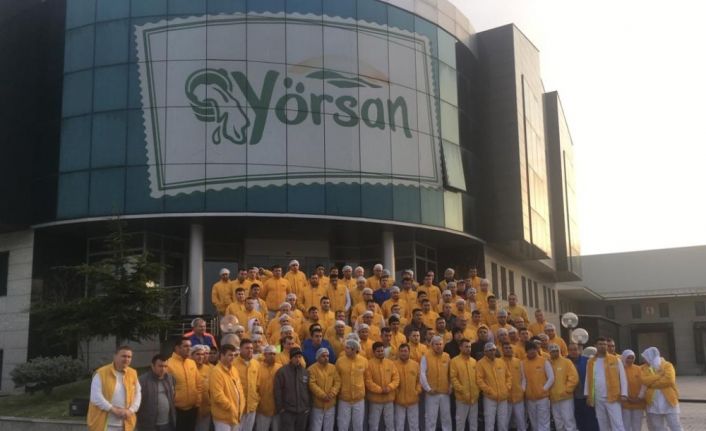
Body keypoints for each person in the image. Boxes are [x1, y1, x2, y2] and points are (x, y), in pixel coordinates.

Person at [88, 345, 141, 431]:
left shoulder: (133, 373)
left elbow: (138, 394)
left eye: (129, 357)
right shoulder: (101, 373)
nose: (126, 359)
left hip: (126, 424)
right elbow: (95, 397)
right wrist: (114, 410)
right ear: (115, 356)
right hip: (104, 425)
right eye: (123, 356)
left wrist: (131, 410)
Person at [584, 336, 628, 431]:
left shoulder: (615, 360)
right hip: (598, 397)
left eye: (604, 344)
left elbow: (622, 377)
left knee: (617, 423)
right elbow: (588, 378)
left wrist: (624, 393)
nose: (602, 346)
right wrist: (587, 395)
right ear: (595, 346)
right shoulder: (590, 362)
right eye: (600, 344)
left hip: (613, 396)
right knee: (602, 422)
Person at [640, 347, 684, 431]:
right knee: (658, 427)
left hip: (669, 401)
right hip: (653, 403)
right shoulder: (644, 368)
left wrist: (652, 385)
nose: (644, 360)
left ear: (650, 356)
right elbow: (644, 380)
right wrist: (659, 376)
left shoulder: (667, 365)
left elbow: (669, 380)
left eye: (645, 358)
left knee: (675, 425)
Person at [167, 337, 202, 431]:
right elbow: (167, 389)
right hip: (177, 411)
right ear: (177, 348)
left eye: (190, 346)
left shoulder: (192, 363)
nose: (189, 348)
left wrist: (197, 402)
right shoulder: (168, 365)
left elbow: (198, 384)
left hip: (193, 409)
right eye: (186, 346)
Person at [365, 341, 400, 431]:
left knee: (390, 424)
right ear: (374, 352)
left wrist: (389, 387)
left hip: (389, 399)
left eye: (382, 351)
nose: (380, 353)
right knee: (373, 424)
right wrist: (380, 390)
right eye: (378, 351)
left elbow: (396, 378)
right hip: (375, 400)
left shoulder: (390, 363)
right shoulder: (369, 364)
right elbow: (368, 381)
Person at [210, 343, 246, 431]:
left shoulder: (234, 370)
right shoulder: (216, 372)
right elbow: (218, 395)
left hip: (236, 415)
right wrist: (231, 407)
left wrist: (242, 404)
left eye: (234, 355)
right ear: (222, 355)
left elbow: (240, 389)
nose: (233, 357)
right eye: (230, 355)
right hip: (223, 417)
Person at [420, 335, 452, 431]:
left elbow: (451, 373)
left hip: (445, 392)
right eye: (436, 344)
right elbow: (422, 374)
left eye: (440, 344)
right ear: (432, 345)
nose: (439, 346)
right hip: (432, 393)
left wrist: (451, 386)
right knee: (431, 418)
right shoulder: (426, 357)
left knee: (446, 418)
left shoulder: (447, 356)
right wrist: (428, 389)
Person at [477, 342, 511, 431]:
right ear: (485, 352)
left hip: (503, 397)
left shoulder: (501, 361)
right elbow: (479, 380)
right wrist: (488, 390)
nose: (492, 352)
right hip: (489, 398)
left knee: (503, 422)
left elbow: (508, 376)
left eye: (494, 350)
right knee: (489, 422)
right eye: (490, 350)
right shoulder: (480, 363)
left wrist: (507, 387)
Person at [274, 348, 310, 431]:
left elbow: (308, 390)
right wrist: (280, 408)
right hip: (288, 411)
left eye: (299, 357)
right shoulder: (282, 372)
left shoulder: (305, 372)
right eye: (295, 357)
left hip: (302, 411)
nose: (298, 359)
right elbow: (277, 391)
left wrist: (307, 407)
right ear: (291, 358)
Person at [137, 353, 175, 431]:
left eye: (165, 366)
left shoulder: (169, 378)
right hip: (149, 425)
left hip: (167, 423)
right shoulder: (142, 380)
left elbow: (172, 397)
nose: (163, 369)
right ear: (152, 366)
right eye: (160, 366)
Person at [336, 339, 368, 431]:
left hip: (359, 399)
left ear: (354, 349)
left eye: (347, 348)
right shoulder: (340, 361)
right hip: (344, 399)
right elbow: (336, 379)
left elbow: (366, 378)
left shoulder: (364, 361)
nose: (345, 349)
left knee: (358, 425)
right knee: (343, 425)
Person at [522, 341, 554, 431]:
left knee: (544, 421)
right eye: (530, 350)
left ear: (537, 350)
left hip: (543, 397)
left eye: (534, 349)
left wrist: (543, 389)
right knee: (533, 421)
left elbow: (551, 378)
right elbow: (523, 379)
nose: (532, 351)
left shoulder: (544, 361)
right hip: (530, 398)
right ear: (526, 351)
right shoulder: (523, 363)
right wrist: (524, 391)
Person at [450, 339, 480, 431]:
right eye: (466, 346)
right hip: (462, 398)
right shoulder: (454, 361)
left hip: (474, 398)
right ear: (460, 347)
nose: (468, 348)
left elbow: (478, 378)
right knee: (460, 423)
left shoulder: (474, 361)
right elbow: (453, 378)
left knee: (474, 423)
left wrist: (477, 391)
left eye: (470, 347)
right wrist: (462, 390)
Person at [308, 348, 341, 431]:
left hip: (330, 403)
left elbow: (337, 382)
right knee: (316, 427)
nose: (326, 358)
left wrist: (332, 393)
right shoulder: (311, 369)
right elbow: (312, 384)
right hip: (317, 405)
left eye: (327, 356)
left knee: (329, 428)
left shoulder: (333, 368)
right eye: (323, 356)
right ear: (318, 357)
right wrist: (323, 395)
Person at [567, 343, 598, 431]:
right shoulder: (565, 361)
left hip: (587, 396)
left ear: (580, 350)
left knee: (591, 419)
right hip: (573, 396)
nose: (573, 352)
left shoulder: (587, 361)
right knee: (578, 420)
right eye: (571, 350)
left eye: (575, 349)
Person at [548, 344, 579, 431]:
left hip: (566, 398)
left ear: (559, 351)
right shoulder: (548, 363)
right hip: (553, 398)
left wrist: (567, 390)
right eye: (552, 351)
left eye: (556, 351)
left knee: (568, 420)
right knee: (558, 422)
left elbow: (574, 377)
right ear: (549, 352)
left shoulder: (567, 362)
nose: (555, 353)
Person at [393, 343, 421, 431]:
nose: (403, 353)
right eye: (401, 351)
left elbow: (419, 381)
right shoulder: (393, 364)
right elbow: (391, 381)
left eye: (405, 351)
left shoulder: (415, 365)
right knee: (399, 425)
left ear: (409, 352)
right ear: (399, 352)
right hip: (399, 400)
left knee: (414, 425)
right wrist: (396, 393)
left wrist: (417, 391)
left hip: (413, 399)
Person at [234, 339, 260, 431]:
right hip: (238, 407)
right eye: (247, 348)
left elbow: (258, 384)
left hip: (251, 406)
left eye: (251, 348)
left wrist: (256, 398)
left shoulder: (256, 364)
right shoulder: (233, 364)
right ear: (240, 349)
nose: (250, 350)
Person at [501, 342, 526, 431]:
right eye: (506, 348)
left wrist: (522, 390)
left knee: (521, 420)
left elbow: (523, 378)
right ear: (502, 350)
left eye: (510, 348)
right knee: (504, 422)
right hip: (505, 398)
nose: (508, 350)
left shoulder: (519, 362)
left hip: (518, 397)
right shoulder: (499, 362)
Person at [256, 345, 281, 431]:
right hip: (263, 409)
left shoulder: (280, 368)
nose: (272, 356)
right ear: (265, 355)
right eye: (270, 354)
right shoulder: (258, 367)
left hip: (277, 409)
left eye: (274, 354)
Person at [620, 350, 646, 431]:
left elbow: (644, 384)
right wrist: (626, 397)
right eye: (628, 358)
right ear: (624, 358)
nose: (630, 360)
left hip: (638, 401)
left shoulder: (639, 369)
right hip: (625, 401)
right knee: (626, 424)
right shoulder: (620, 369)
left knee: (637, 424)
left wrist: (639, 397)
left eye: (632, 358)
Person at [191, 345, 213, 431]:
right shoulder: (188, 368)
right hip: (191, 409)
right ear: (191, 355)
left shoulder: (208, 369)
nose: (201, 357)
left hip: (205, 409)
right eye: (198, 354)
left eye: (203, 354)